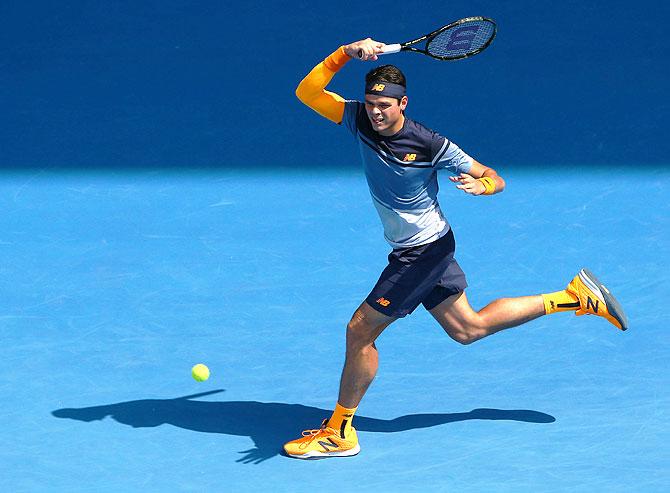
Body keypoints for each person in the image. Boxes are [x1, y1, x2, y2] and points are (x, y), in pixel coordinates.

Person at [283, 38, 628, 460]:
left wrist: (483, 186)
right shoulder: (356, 118)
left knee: (360, 331)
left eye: (385, 105)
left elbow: (493, 175)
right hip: (423, 247)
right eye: (371, 102)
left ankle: (340, 430)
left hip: (422, 253)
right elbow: (307, 92)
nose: (375, 111)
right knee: (468, 329)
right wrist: (343, 54)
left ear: (403, 103)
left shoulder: (429, 143)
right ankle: (574, 297)